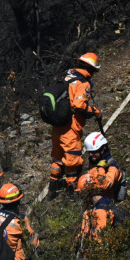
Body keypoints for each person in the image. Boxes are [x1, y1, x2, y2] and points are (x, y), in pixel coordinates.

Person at [50, 52, 102, 196]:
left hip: (57, 123)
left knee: (58, 156)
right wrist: (95, 111)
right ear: (92, 69)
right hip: (70, 126)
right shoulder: (82, 83)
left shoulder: (66, 75)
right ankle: (71, 191)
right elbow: (79, 105)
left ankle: (52, 189)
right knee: (73, 158)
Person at [75, 131, 125, 203]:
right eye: (89, 152)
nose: (90, 154)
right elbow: (92, 176)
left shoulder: (112, 166)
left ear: (102, 149)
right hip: (98, 199)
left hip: (110, 201)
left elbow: (106, 185)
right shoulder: (95, 161)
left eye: (93, 152)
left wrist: (100, 168)